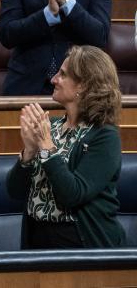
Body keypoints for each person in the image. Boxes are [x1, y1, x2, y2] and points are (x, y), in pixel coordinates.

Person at [7, 45, 125, 249]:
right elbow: (14, 191)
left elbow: (73, 194)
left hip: (81, 244)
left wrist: (45, 146)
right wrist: (29, 153)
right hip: (36, 239)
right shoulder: (50, 126)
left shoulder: (105, 136)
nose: (53, 79)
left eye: (62, 75)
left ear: (83, 86)